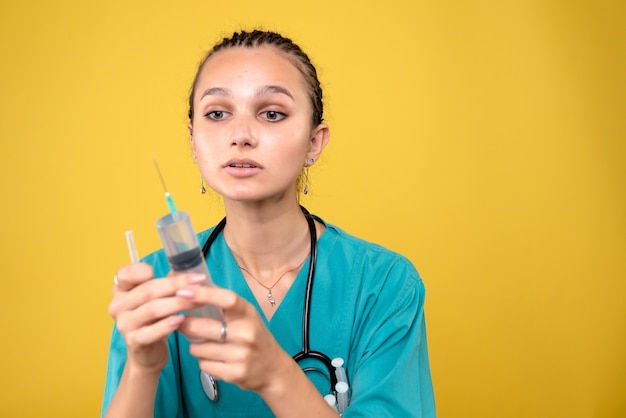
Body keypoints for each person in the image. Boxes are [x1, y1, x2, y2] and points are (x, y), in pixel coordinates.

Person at [102, 30, 436, 417]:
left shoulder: (384, 284)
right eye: (217, 113)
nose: (240, 136)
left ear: (314, 141)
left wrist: (277, 375)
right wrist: (142, 367)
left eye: (272, 113)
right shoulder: (158, 283)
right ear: (193, 140)